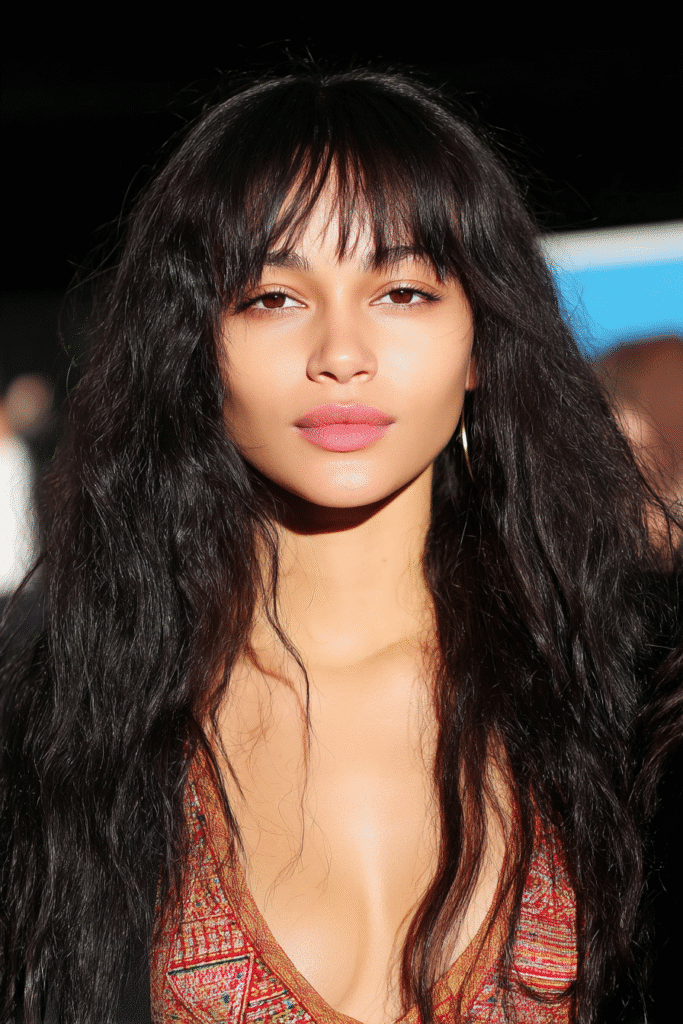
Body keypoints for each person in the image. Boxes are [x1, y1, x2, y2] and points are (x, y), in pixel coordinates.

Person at [1, 66, 681, 1024]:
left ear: (482, 335)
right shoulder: (53, 742)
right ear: (192, 341)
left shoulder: (640, 697)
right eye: (273, 297)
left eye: (401, 291)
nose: (341, 353)